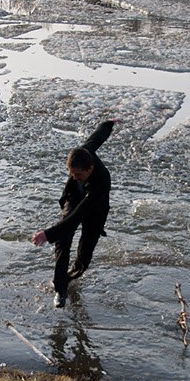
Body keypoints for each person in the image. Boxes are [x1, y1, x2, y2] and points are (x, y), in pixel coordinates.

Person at [32, 118, 121, 307]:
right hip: (74, 198)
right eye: (72, 174)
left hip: (94, 209)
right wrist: (108, 124)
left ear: (90, 169)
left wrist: (47, 234)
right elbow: (96, 138)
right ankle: (60, 289)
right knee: (62, 241)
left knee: (84, 256)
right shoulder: (84, 152)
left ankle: (71, 277)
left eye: (79, 175)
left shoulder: (101, 183)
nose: (75, 177)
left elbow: (76, 219)